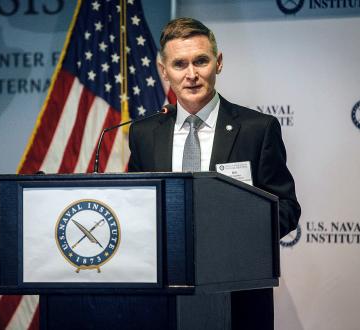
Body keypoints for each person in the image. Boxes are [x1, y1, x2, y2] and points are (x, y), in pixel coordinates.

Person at [128, 17, 301, 329]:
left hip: (239, 297)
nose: (192, 74)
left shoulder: (257, 129)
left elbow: (286, 209)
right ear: (164, 70)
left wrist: (230, 235)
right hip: (163, 298)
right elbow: (134, 206)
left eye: (201, 61)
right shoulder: (143, 133)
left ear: (218, 63)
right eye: (180, 64)